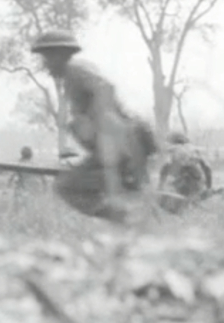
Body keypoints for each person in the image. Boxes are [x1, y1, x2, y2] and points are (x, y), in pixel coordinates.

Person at [30, 30, 158, 224]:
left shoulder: (75, 70)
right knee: (127, 190)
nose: (45, 66)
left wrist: (99, 123)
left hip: (122, 144)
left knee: (66, 187)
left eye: (46, 59)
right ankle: (139, 218)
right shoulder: (73, 75)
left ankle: (129, 218)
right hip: (123, 143)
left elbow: (105, 89)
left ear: (58, 55)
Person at [158, 132, 215, 212]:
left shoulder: (173, 149)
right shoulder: (194, 150)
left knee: (173, 186)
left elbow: (165, 167)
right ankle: (194, 199)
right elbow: (207, 168)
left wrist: (160, 186)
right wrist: (209, 187)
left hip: (182, 180)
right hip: (196, 180)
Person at [8, 146, 46, 212]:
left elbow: (12, 176)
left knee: (17, 207)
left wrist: (9, 183)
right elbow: (42, 176)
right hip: (34, 187)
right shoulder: (35, 164)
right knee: (31, 207)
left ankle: (15, 217)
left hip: (23, 187)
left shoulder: (19, 164)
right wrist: (44, 187)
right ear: (31, 155)